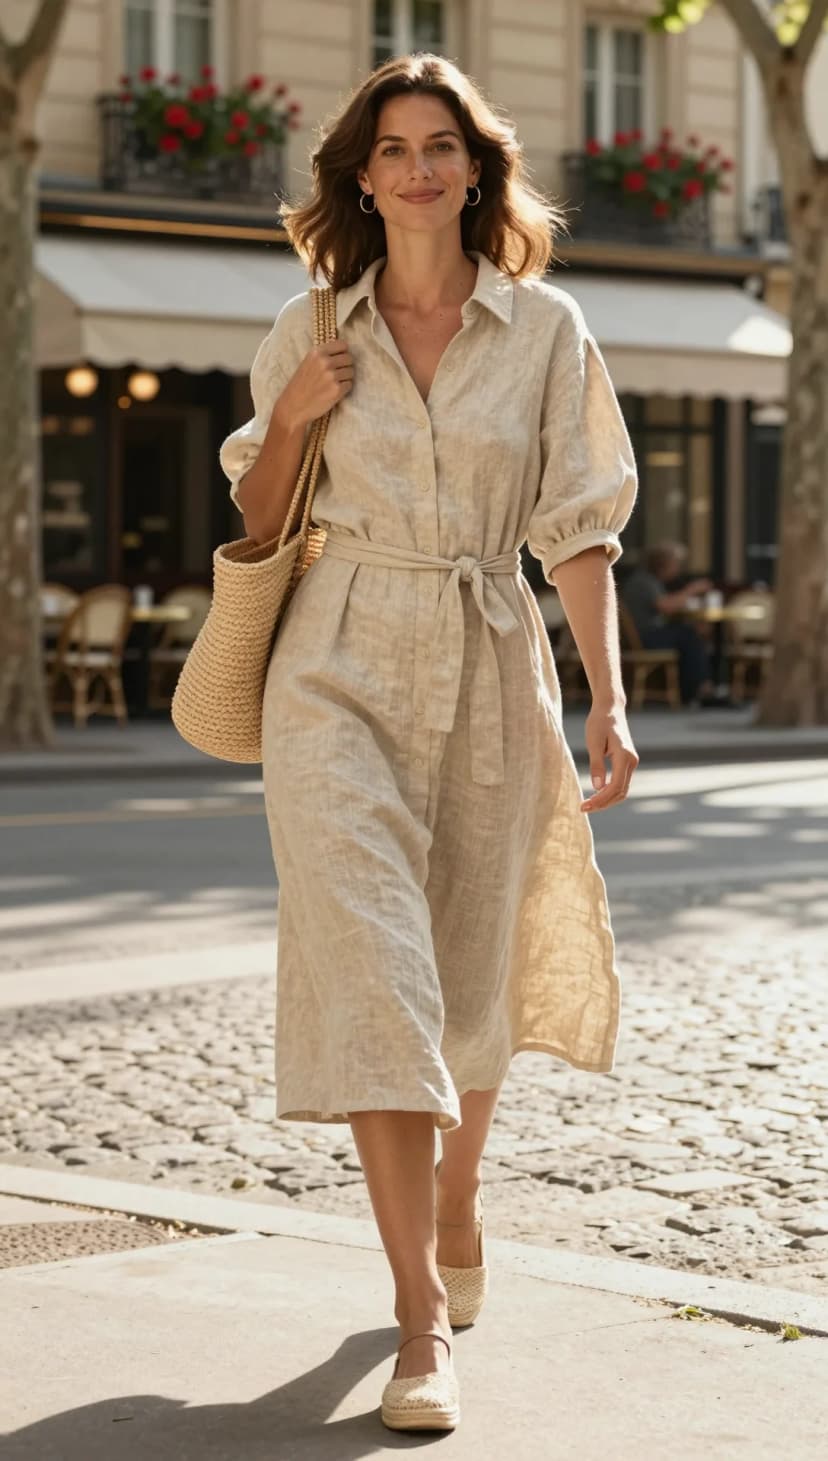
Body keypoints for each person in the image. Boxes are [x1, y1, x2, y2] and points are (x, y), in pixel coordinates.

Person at [219, 53, 639, 1432]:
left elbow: (577, 524)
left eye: (439, 145)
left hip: (485, 655)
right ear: (361, 174)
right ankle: (417, 1327)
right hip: (333, 659)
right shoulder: (307, 326)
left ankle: (460, 1196)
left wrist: (609, 698)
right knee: (377, 969)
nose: (414, 168)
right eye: (390, 148)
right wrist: (292, 415)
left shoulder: (548, 330)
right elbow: (260, 512)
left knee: (463, 969)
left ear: (475, 167)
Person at [622, 542, 720, 705]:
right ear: (662, 564)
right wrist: (692, 590)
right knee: (688, 636)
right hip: (643, 638)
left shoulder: (649, 581)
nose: (678, 569)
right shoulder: (643, 582)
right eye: (675, 564)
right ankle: (700, 689)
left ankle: (695, 688)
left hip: (646, 635)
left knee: (691, 634)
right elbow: (666, 606)